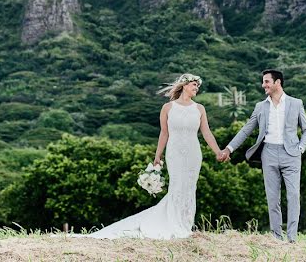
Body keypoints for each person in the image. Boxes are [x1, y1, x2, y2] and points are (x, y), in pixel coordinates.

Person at [89, 73, 222, 239]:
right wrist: (157, 156)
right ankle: (173, 223)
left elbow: (206, 132)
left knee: (189, 187)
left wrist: (218, 151)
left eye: (198, 86)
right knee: (177, 186)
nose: (197, 88)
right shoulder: (168, 108)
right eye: (194, 85)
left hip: (194, 153)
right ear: (184, 86)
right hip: (174, 153)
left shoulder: (199, 108)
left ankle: (185, 224)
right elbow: (164, 133)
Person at [218, 69, 306, 243]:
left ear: (278, 83)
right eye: (263, 82)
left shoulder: (296, 103)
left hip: (291, 154)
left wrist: (301, 148)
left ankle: (292, 238)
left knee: (293, 196)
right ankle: (276, 237)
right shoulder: (260, 106)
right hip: (268, 154)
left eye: (267, 81)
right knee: (272, 197)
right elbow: (246, 129)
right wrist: (229, 149)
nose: (263, 85)